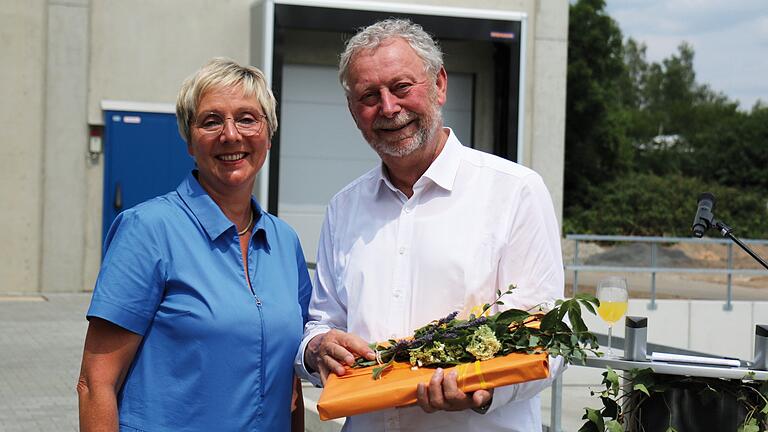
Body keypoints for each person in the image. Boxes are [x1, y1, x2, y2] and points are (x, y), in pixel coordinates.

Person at [295, 19, 565, 431]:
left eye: (401, 87)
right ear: (353, 112)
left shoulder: (515, 192)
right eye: (369, 96)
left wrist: (485, 390)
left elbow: (549, 339)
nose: (388, 108)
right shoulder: (343, 208)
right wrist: (317, 347)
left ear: (439, 84)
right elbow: (324, 321)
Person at [77, 58, 312, 431]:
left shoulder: (284, 242)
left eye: (248, 118)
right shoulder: (148, 230)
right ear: (189, 140)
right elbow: (95, 384)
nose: (231, 134)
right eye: (211, 120)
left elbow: (291, 383)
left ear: (269, 134)